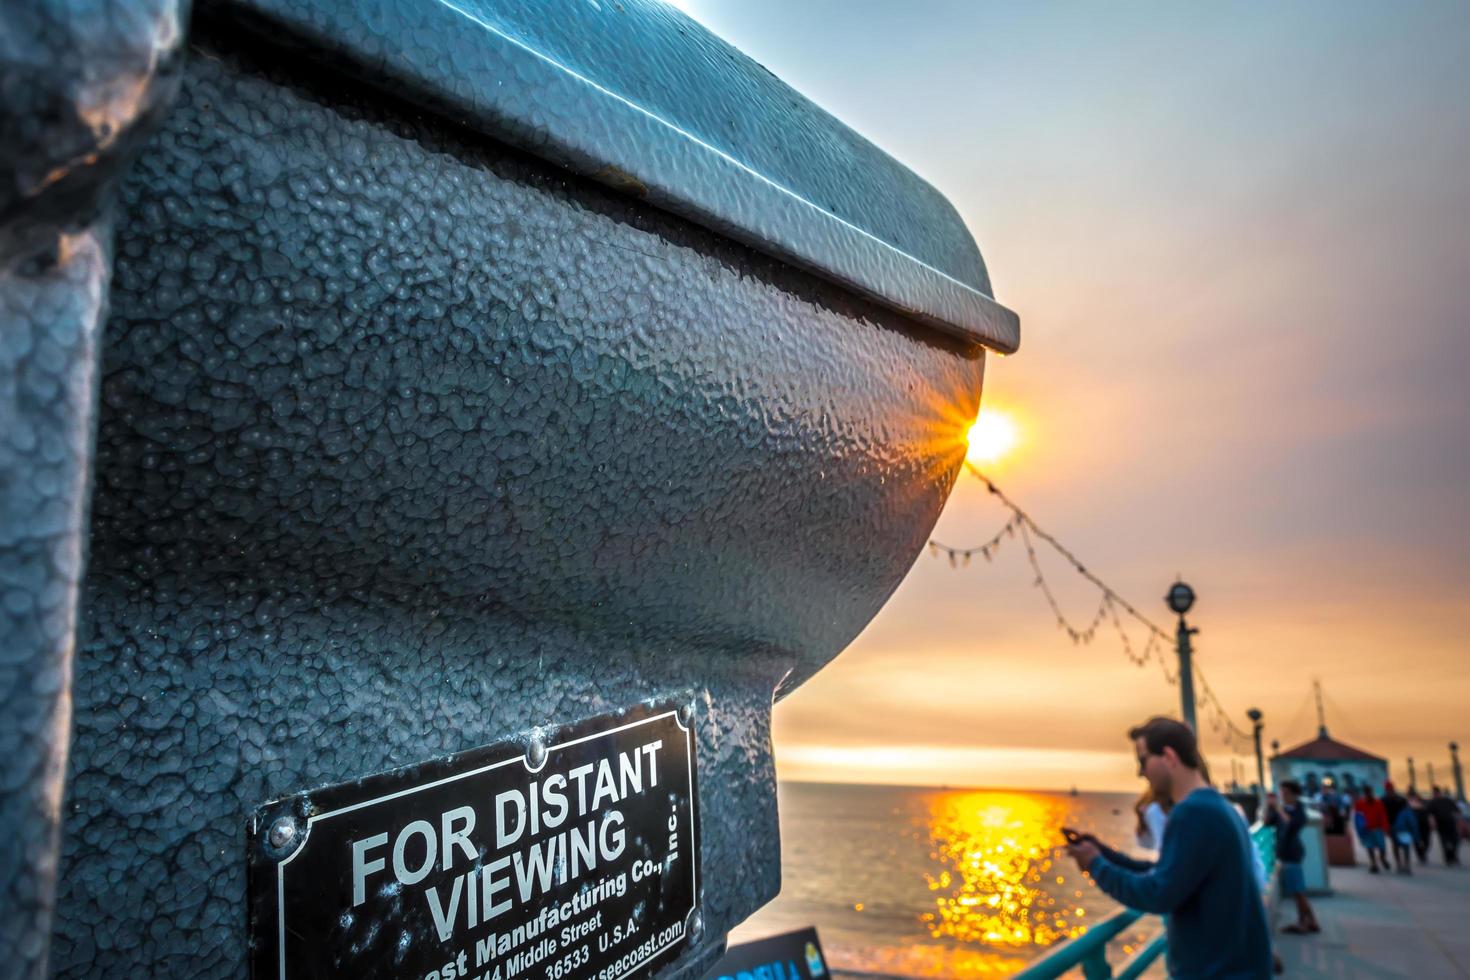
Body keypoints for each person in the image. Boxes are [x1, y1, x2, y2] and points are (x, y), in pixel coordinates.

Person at [1065, 717, 1272, 979]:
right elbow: (1170, 872)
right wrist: (1102, 852)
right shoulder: (1219, 807)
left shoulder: (1192, 813)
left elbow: (1157, 893)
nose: (1141, 772)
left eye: (1143, 761)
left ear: (1169, 756)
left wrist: (1096, 866)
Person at [1265, 781, 1320, 934]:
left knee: (1298, 891)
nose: (1283, 795)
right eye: (1282, 792)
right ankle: (1308, 922)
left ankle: (1307, 922)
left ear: (1295, 794)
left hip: (1293, 853)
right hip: (1285, 853)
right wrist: (1268, 807)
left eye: (1286, 793)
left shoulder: (1299, 810)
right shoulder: (1284, 809)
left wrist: (1278, 809)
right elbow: (1267, 822)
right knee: (1297, 891)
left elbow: (1292, 824)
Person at [1353, 785, 1390, 872]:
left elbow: (1383, 815)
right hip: (1367, 829)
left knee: (1382, 846)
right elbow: (1357, 817)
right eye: (1367, 793)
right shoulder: (1359, 803)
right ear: (1365, 794)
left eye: (1370, 792)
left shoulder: (1378, 802)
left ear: (1372, 793)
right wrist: (1359, 829)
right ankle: (1373, 864)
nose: (1369, 794)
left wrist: (1385, 827)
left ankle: (1382, 858)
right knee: (1370, 847)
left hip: (1377, 828)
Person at [1381, 781, 1412, 874]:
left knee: (1397, 846)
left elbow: (1383, 815)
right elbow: (1408, 813)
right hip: (1402, 826)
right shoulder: (1401, 799)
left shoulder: (1383, 800)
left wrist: (1385, 827)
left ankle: (1400, 865)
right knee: (1404, 845)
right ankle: (1405, 865)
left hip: (1394, 826)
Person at [1428, 787, 1462, 866]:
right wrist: (1432, 822)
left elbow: (1457, 811)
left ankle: (1452, 855)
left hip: (1450, 823)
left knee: (1455, 841)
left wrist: (1459, 822)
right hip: (1441, 824)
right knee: (1444, 841)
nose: (1434, 795)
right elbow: (1429, 814)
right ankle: (1448, 857)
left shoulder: (1447, 800)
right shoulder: (1432, 802)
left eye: (1435, 793)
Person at [1409, 790, 1433, 864]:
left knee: (1427, 841)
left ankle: (1423, 852)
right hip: (1415, 826)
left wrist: (1431, 823)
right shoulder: (1410, 805)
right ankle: (1420, 854)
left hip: (1425, 825)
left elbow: (1430, 815)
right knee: (1416, 841)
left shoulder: (1426, 804)